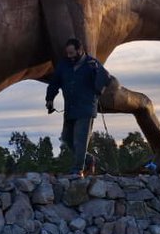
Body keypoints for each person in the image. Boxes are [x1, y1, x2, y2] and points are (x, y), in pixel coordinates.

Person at [45, 38, 111, 177]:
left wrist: (97, 87)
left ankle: (77, 170)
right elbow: (54, 82)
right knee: (66, 138)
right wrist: (50, 99)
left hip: (86, 108)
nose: (69, 56)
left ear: (80, 50)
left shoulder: (92, 64)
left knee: (80, 140)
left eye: (72, 53)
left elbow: (106, 78)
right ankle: (89, 159)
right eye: (67, 53)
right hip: (70, 108)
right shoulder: (63, 65)